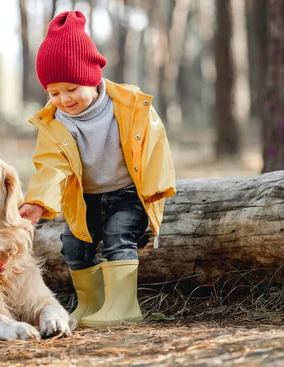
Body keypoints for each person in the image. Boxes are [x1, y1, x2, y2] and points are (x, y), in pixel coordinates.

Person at [19, 10, 176, 328]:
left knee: (119, 237)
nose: (64, 99)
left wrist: (157, 187)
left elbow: (155, 144)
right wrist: (37, 200)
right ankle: (92, 304)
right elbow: (51, 164)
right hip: (84, 199)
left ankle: (124, 306)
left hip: (127, 194)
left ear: (91, 77)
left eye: (72, 88)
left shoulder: (130, 105)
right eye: (53, 92)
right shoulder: (55, 123)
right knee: (74, 246)